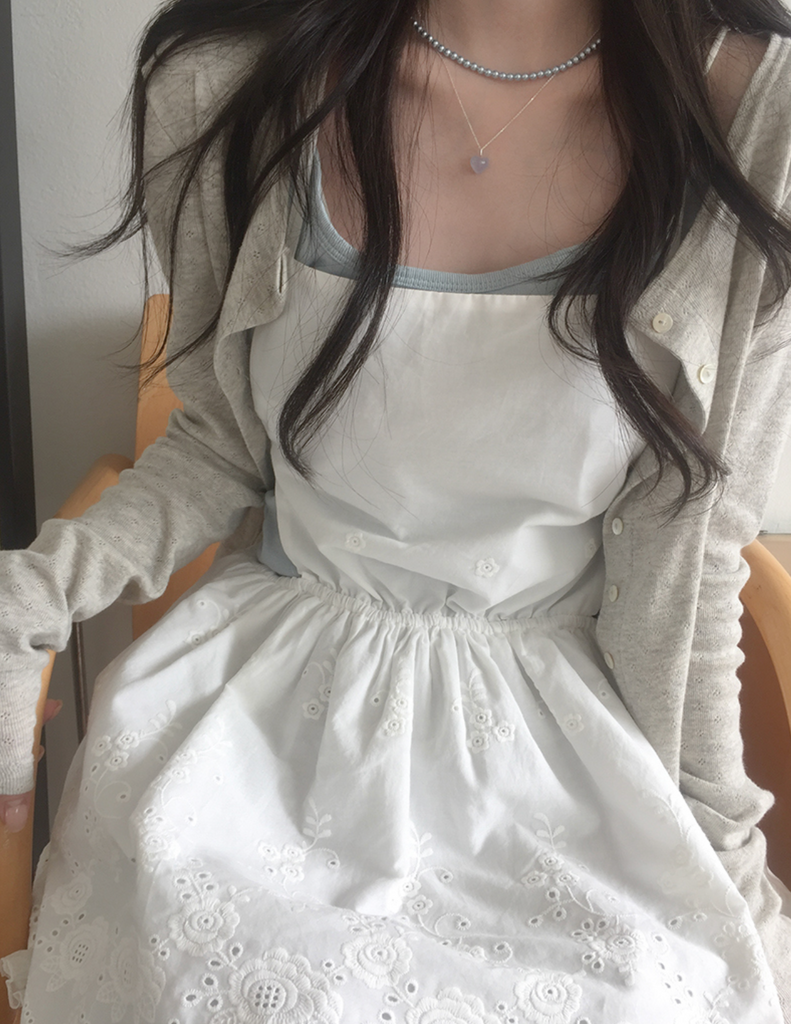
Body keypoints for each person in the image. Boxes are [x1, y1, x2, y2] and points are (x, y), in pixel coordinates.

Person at [2, 0, 791, 1019]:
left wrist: (723, 856)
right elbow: (222, 444)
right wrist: (26, 599)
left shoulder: (758, 115)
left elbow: (695, 542)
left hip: (571, 745)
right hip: (267, 724)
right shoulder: (220, 85)